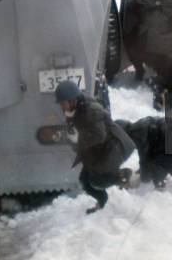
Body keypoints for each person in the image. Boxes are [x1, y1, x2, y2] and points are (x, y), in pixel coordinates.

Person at [55, 80, 135, 214]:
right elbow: (77, 128)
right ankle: (102, 202)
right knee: (85, 181)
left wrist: (78, 139)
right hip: (98, 150)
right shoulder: (73, 109)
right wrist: (67, 136)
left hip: (114, 146)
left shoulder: (91, 110)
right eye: (61, 103)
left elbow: (99, 135)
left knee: (98, 181)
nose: (62, 106)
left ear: (72, 99)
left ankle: (123, 174)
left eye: (63, 103)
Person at [127, 0, 172, 81]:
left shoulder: (142, 1)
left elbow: (128, 9)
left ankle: (139, 70)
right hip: (165, 49)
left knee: (130, 39)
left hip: (145, 48)